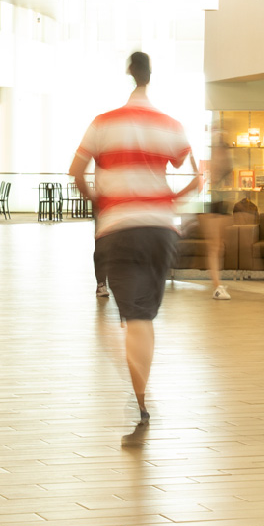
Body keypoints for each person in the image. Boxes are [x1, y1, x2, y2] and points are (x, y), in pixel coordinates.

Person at [71, 51, 201, 444]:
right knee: (144, 318)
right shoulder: (171, 125)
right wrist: (171, 203)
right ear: (150, 76)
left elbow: (77, 173)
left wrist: (101, 199)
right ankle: (142, 396)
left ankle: (142, 402)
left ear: (129, 74)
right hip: (160, 232)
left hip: (120, 229)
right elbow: (198, 176)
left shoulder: (102, 124)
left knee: (134, 318)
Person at [200, 142, 234, 300]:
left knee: (219, 246)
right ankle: (216, 287)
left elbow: (228, 188)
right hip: (211, 205)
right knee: (214, 247)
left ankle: (217, 283)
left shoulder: (226, 164)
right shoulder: (212, 164)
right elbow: (211, 181)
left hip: (222, 205)